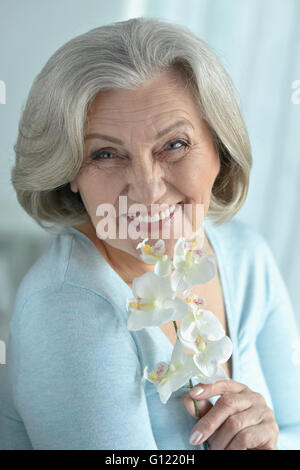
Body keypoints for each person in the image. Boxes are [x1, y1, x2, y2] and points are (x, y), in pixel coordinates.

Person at [0, 17, 299, 450]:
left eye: (174, 145)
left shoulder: (247, 256)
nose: (147, 190)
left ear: (220, 147)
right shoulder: (67, 306)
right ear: (70, 173)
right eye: (105, 154)